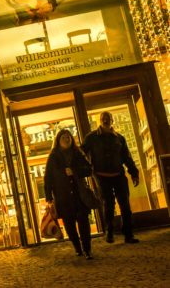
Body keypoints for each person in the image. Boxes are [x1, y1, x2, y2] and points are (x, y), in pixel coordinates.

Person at [81, 111, 140, 244]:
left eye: (108, 118)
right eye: (103, 118)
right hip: (101, 176)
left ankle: (128, 234)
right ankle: (110, 231)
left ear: (112, 120)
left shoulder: (119, 138)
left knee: (125, 204)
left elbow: (126, 157)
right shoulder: (91, 137)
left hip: (119, 174)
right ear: (100, 121)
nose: (106, 120)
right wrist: (85, 169)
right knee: (108, 204)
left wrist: (134, 172)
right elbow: (81, 153)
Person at [44, 129, 93, 259]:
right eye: (64, 138)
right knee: (70, 226)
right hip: (63, 196)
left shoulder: (78, 153)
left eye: (68, 137)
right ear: (58, 141)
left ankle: (87, 249)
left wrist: (75, 171)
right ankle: (78, 248)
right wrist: (48, 197)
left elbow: (89, 169)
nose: (66, 140)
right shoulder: (54, 156)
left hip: (79, 194)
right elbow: (48, 177)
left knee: (83, 222)